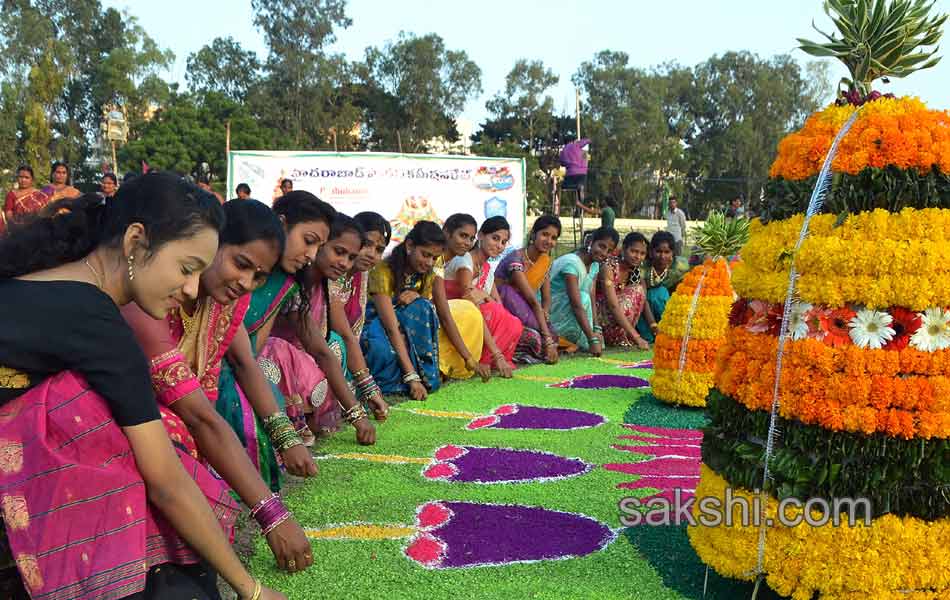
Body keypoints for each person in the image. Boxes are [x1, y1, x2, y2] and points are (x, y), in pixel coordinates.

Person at [0, 173, 284, 599]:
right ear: (135, 241)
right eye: (187, 269)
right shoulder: (101, 325)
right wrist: (251, 589)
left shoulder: (34, 279)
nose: (190, 288)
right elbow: (166, 483)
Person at [122, 199, 314, 574]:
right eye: (241, 264)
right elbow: (199, 415)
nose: (246, 283)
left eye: (259, 276)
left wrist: (285, 437)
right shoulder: (155, 292)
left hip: (184, 417)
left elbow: (241, 365)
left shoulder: (229, 303)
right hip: (130, 416)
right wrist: (272, 513)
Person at [255, 206, 377, 446]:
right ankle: (288, 423)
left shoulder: (309, 286)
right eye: (338, 252)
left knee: (333, 347)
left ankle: (300, 416)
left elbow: (321, 348)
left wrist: (358, 414)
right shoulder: (279, 277)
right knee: (277, 348)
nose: (344, 263)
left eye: (351, 257)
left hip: (294, 361)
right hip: (260, 361)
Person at [362, 221, 445, 401]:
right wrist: (411, 378)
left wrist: (418, 296)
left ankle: (425, 374)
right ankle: (406, 377)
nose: (430, 262)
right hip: (375, 322)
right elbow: (390, 326)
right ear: (409, 246)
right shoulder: (383, 271)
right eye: (426, 254)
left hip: (401, 324)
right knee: (382, 348)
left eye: (435, 258)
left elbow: (421, 316)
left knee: (424, 307)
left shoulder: (427, 274)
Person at [328, 212, 392, 420]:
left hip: (342, 355)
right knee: (336, 345)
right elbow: (344, 335)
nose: (372, 254)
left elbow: (354, 332)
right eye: (367, 245)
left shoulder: (361, 275)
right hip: (319, 350)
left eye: (379, 250)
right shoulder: (332, 274)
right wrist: (370, 389)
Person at [444, 216, 521, 377]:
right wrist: (497, 354)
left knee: (513, 322)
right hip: (455, 316)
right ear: (480, 236)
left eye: (503, 242)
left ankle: (491, 358)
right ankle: (487, 357)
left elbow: (499, 306)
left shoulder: (487, 269)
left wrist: (485, 296)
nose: (499, 245)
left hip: (473, 317)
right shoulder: (465, 260)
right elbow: (469, 298)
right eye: (495, 238)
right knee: (490, 310)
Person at [495, 215, 562, 364]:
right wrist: (548, 340)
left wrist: (544, 311)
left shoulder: (545, 261)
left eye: (553, 237)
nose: (549, 241)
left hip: (525, 307)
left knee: (553, 335)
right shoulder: (516, 259)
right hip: (504, 302)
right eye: (545, 234)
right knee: (539, 339)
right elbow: (532, 300)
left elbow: (546, 298)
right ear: (533, 234)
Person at [435, 214, 489, 381]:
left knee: (469, 309)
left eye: (471, 238)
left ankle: (453, 365)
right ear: (446, 233)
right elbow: (443, 312)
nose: (467, 242)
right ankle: (441, 366)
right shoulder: (434, 260)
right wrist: (469, 359)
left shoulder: (444, 262)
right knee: (465, 309)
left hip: (428, 307)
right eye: (463, 235)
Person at [549, 226, 617, 355]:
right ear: (590, 242)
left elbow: (592, 298)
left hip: (571, 311)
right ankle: (565, 340)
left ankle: (575, 341)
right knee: (582, 298)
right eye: (601, 246)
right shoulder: (572, 263)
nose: (604, 253)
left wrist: (596, 329)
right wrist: (591, 339)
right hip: (552, 314)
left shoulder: (595, 265)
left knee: (586, 298)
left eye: (609, 251)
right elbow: (576, 304)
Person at [596, 232, 650, 349]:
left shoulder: (635, 271)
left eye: (642, 253)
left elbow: (643, 301)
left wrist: (653, 325)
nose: (638, 257)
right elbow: (613, 305)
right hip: (601, 318)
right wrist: (637, 337)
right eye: (634, 251)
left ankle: (623, 336)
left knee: (639, 290)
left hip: (616, 316)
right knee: (636, 291)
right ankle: (619, 337)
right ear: (624, 249)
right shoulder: (609, 267)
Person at [636, 230, 691, 343]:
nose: (662, 256)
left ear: (673, 253)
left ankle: (670, 331)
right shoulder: (643, 268)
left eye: (667, 252)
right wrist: (653, 325)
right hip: (645, 311)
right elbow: (643, 299)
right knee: (656, 293)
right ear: (651, 252)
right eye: (658, 251)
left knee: (662, 293)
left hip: (670, 310)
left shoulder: (680, 267)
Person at [2, 166, 49, 232]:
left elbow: (46, 212)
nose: (23, 180)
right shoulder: (11, 194)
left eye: (26, 177)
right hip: (19, 230)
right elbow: (8, 214)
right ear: (17, 178)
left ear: (32, 179)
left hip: (38, 229)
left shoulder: (39, 194)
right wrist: (17, 225)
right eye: (21, 177)